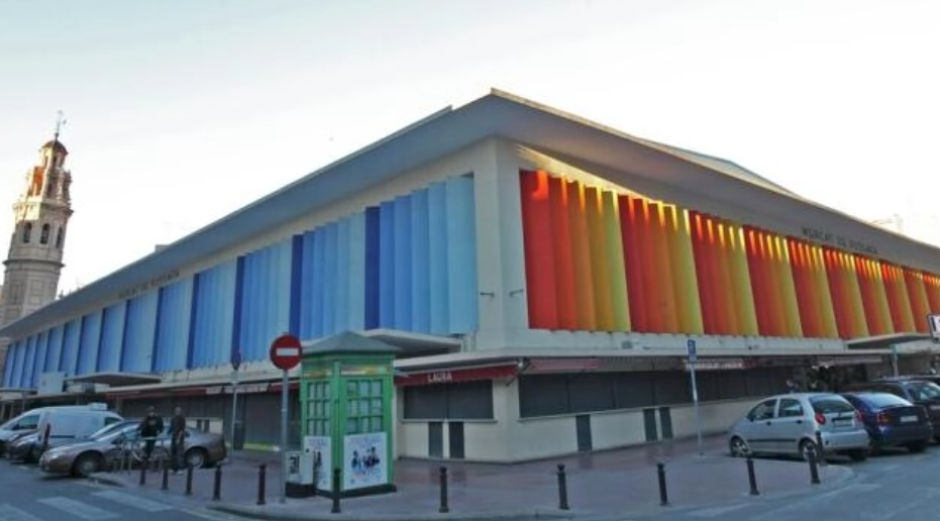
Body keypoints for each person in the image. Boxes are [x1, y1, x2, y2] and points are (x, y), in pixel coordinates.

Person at [169, 406, 187, 473]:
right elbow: (171, 428)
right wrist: (168, 433)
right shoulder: (173, 418)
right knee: (173, 452)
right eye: (176, 411)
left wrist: (178, 438)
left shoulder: (182, 418)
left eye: (178, 411)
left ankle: (180, 468)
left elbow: (182, 430)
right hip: (173, 436)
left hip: (179, 437)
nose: (177, 412)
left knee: (179, 453)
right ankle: (173, 468)